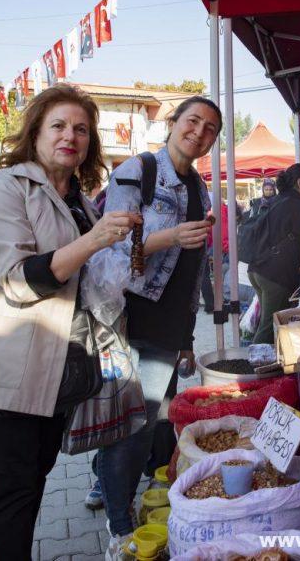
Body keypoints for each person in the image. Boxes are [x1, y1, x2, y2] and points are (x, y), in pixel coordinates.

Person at [0, 85, 140, 560]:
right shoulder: (7, 187)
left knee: (35, 475)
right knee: (14, 490)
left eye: (82, 129)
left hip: (59, 369)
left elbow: (91, 274)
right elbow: (19, 282)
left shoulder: (78, 200)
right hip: (11, 365)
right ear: (36, 133)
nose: (72, 136)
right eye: (60, 126)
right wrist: (95, 241)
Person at [94, 95, 219, 557]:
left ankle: (106, 486)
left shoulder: (201, 189)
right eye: (193, 121)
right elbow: (110, 247)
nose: (199, 132)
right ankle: (120, 524)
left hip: (171, 323)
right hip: (132, 314)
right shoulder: (137, 170)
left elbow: (192, 272)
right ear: (173, 122)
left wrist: (187, 337)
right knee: (135, 424)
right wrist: (168, 236)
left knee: (152, 417)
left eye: (210, 128)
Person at [247, 163, 300, 343]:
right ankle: (253, 365)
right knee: (269, 327)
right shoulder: (297, 204)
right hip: (274, 274)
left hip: (258, 268)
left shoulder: (279, 200)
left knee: (268, 321)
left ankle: (265, 362)